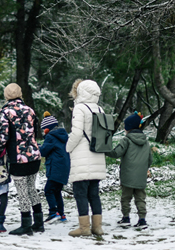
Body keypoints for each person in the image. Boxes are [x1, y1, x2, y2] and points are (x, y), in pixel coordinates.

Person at [0, 83, 44, 235]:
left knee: (22, 191)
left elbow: (3, 136)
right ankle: (39, 222)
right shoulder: (30, 110)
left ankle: (26, 224)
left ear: (6, 95)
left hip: (18, 157)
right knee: (31, 188)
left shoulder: (5, 112)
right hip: (34, 155)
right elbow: (35, 132)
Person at [65, 79, 107, 237]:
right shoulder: (100, 109)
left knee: (80, 193)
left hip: (82, 158)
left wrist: (68, 148)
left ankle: (84, 228)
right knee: (94, 194)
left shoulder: (80, 108)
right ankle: (97, 227)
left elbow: (76, 133)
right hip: (97, 155)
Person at [106, 112, 153, 230]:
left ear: (128, 128)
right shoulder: (146, 142)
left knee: (126, 198)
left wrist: (105, 150)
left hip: (128, 175)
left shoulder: (126, 140)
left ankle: (126, 218)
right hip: (141, 176)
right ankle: (142, 220)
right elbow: (150, 159)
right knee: (140, 198)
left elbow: (117, 153)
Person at [39, 112, 70, 223]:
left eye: (43, 129)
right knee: (57, 191)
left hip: (55, 168)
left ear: (48, 129)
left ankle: (53, 212)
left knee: (48, 190)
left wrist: (37, 146)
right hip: (64, 168)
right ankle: (61, 214)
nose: (43, 131)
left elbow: (43, 152)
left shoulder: (51, 137)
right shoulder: (63, 136)